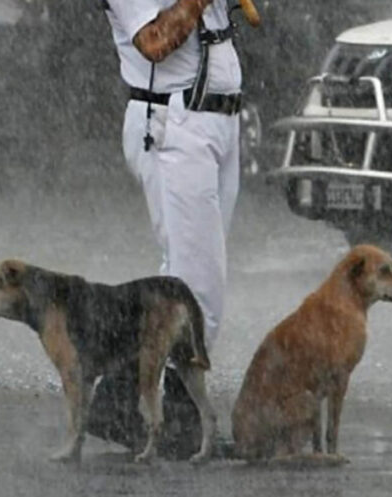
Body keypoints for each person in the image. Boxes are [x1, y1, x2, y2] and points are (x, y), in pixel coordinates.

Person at [87, 0, 242, 458]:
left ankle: (123, 406)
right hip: (173, 123)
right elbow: (153, 42)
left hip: (219, 119)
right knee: (198, 286)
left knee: (182, 273)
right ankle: (164, 415)